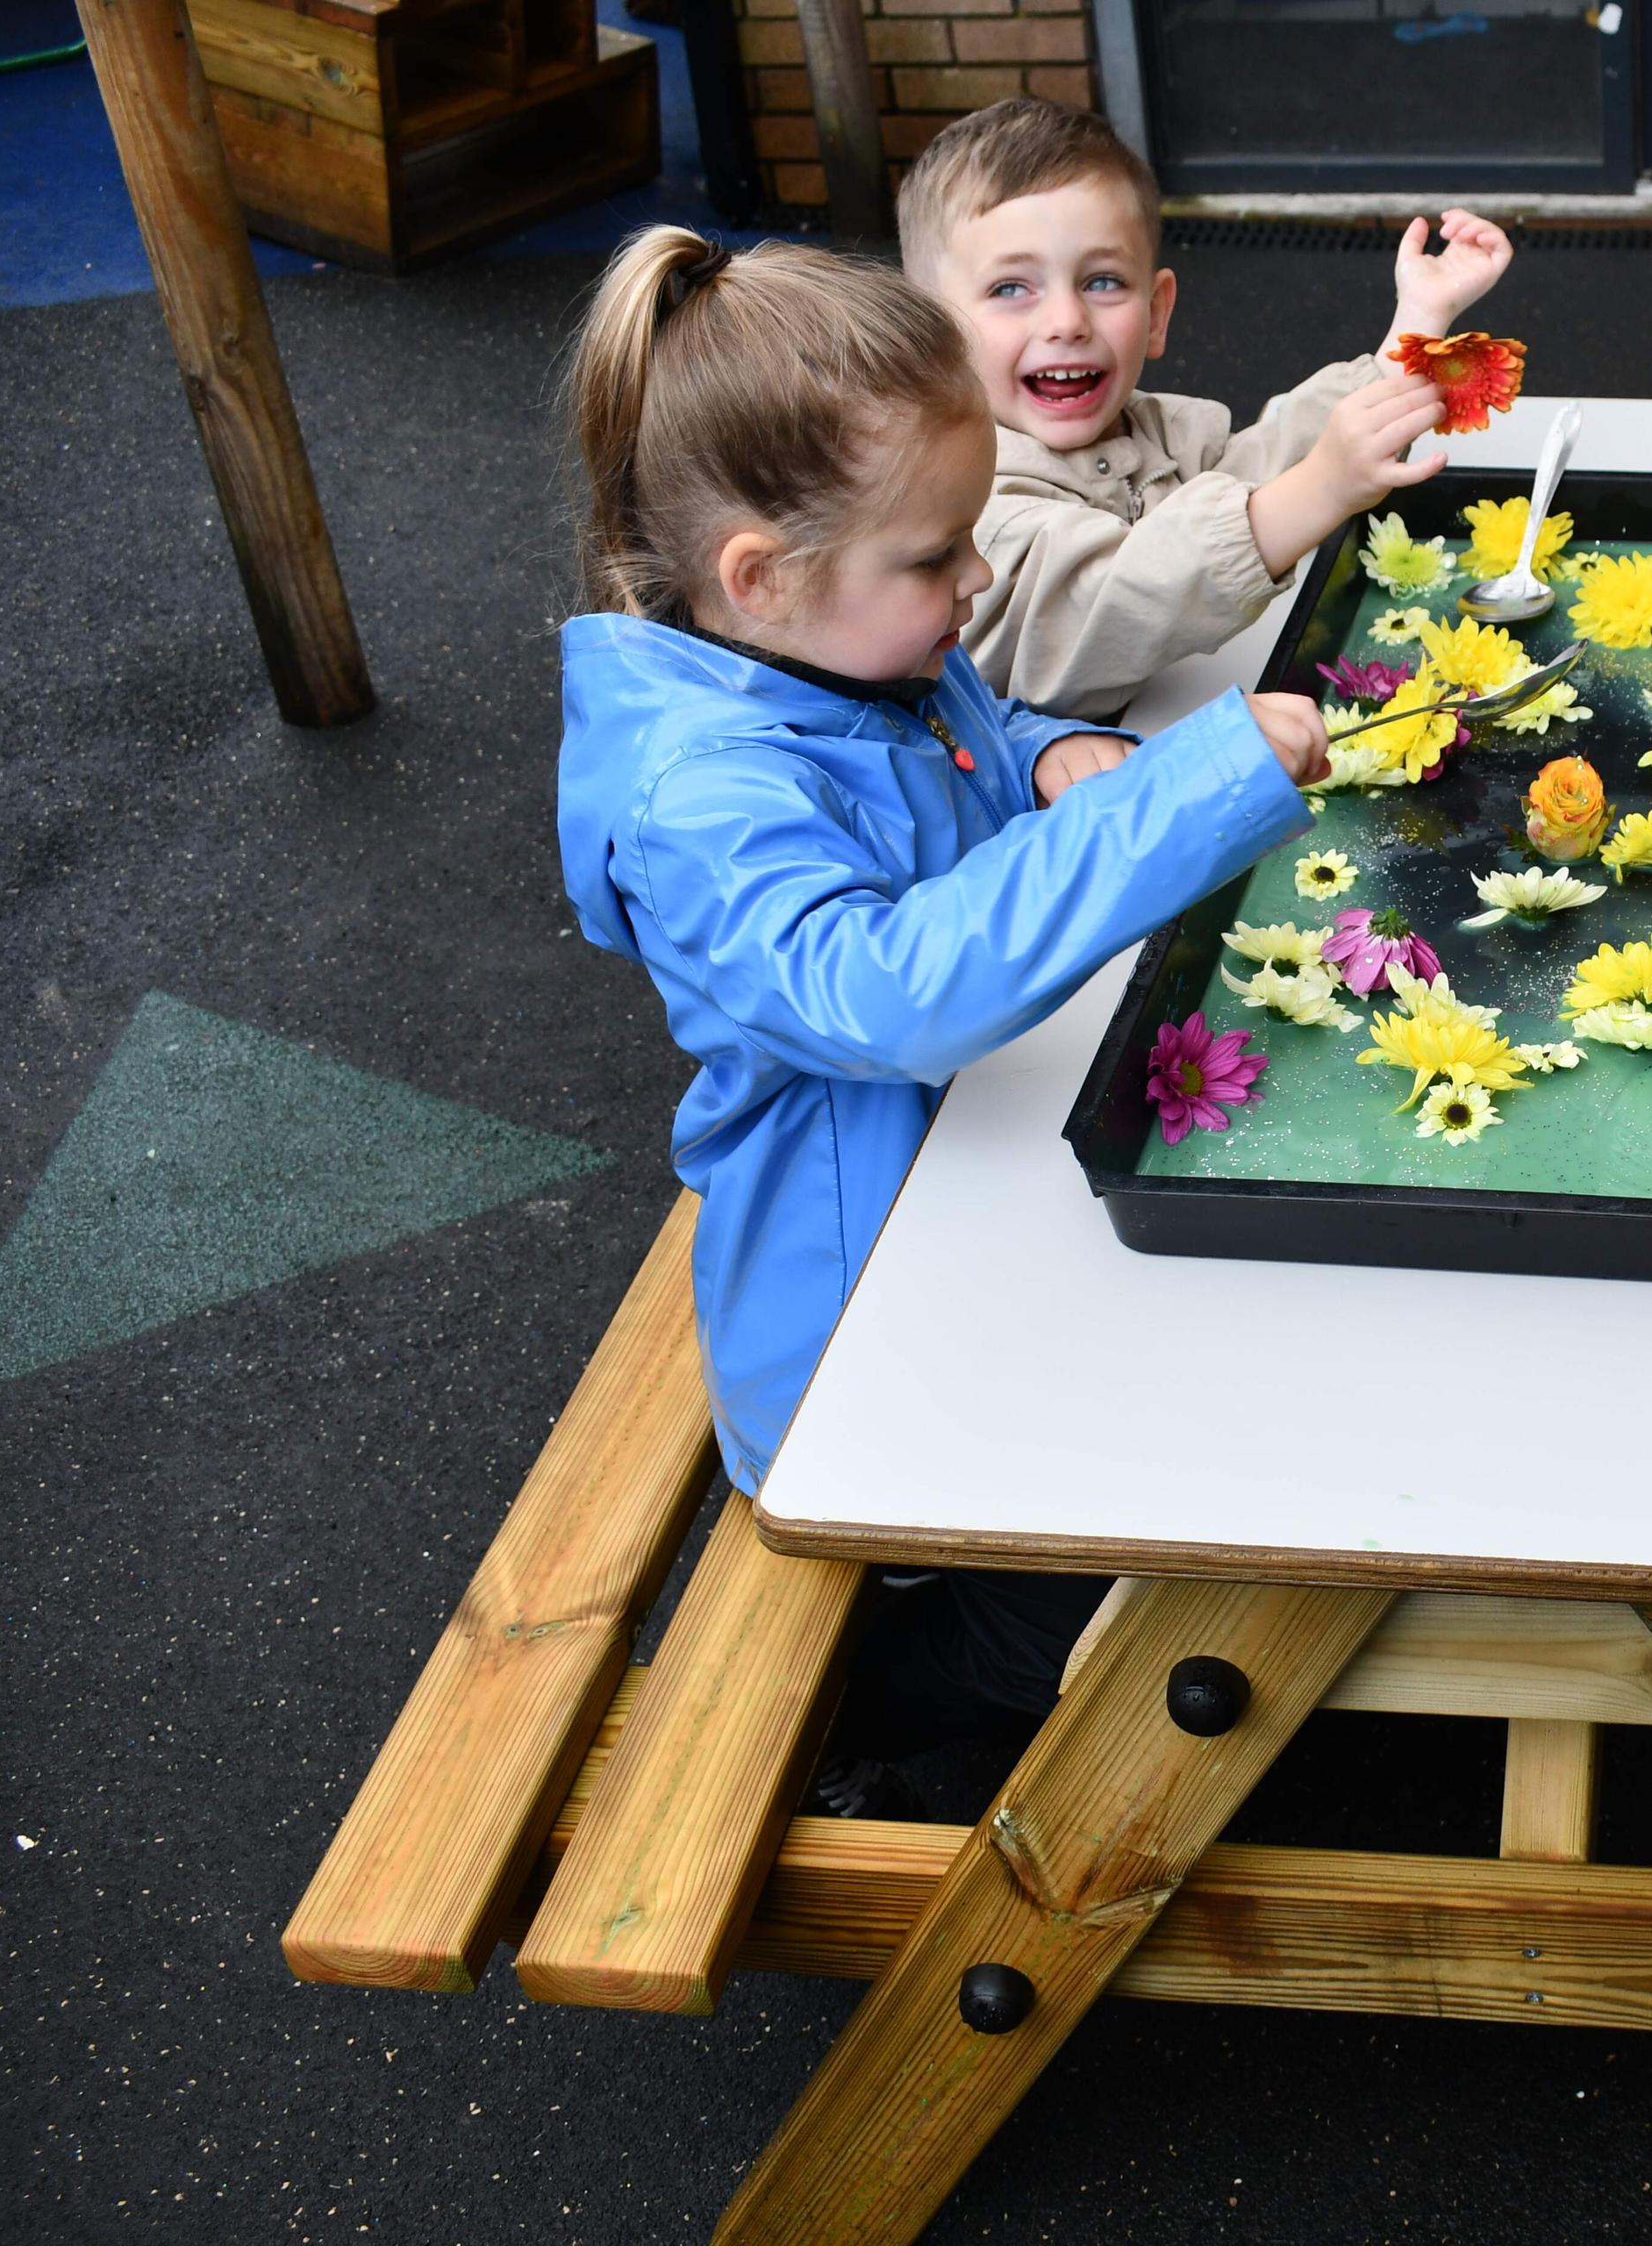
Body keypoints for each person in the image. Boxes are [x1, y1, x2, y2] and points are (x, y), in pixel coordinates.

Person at [554, 227, 1330, 1809]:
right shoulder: (703, 797)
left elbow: (964, 732)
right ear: (757, 574)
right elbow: (886, 991)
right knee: (1084, 1631)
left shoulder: (838, 652)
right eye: (937, 557)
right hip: (866, 1330)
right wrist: (1185, 792)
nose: (976, 580)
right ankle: (855, 1712)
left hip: (971, 1204)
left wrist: (1047, 754)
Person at [898, 97, 1513, 719]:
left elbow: (1269, 462)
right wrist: (1323, 487)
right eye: (1011, 288)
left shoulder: (1159, 433)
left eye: (1102, 281)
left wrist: (1414, 328)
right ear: (933, 335)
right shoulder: (962, 506)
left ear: (1157, 313)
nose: (1067, 321)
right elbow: (1110, 598)